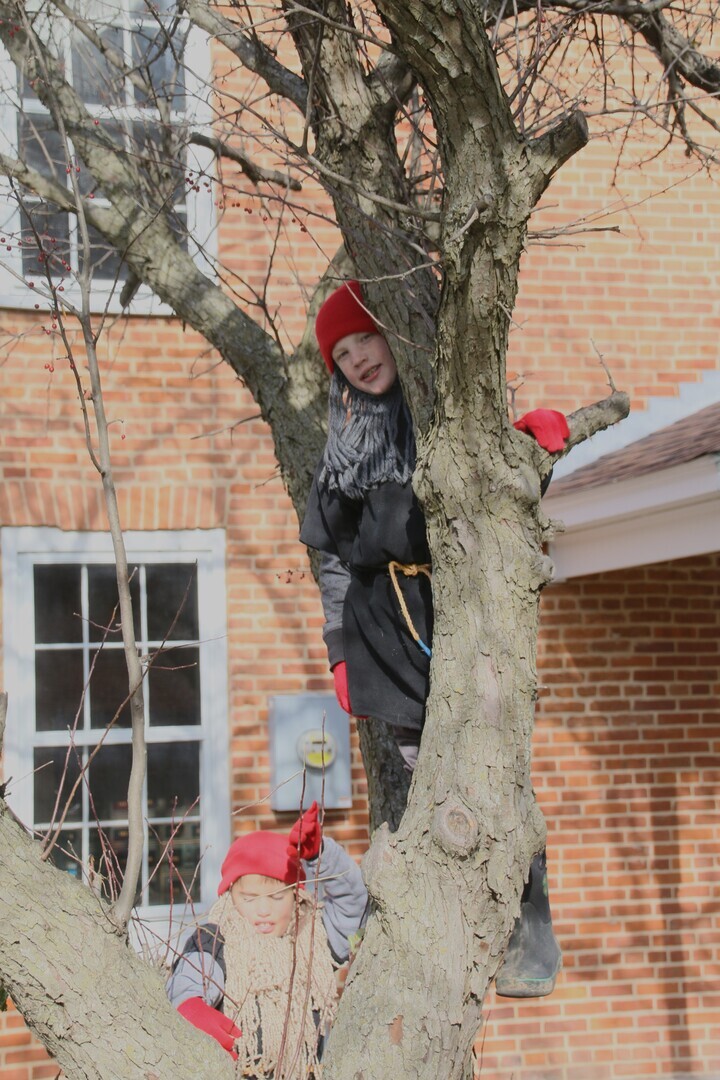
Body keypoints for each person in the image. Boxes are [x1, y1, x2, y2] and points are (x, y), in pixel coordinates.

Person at [300, 279, 568, 997]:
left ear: (393, 332)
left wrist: (530, 443)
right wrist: (338, 650)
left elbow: (496, 482)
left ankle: (531, 917)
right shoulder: (345, 450)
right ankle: (453, 924)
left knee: (491, 765)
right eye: (342, 354)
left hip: (460, 617)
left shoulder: (444, 415)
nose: (359, 358)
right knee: (432, 781)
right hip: (384, 633)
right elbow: (334, 562)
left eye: (366, 338)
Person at [167, 802, 368, 1077]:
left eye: (276, 897)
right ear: (230, 897)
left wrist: (321, 854)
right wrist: (190, 1008)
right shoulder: (215, 939)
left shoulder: (312, 938)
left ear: (297, 897)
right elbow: (187, 984)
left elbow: (354, 903)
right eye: (249, 898)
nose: (263, 910)